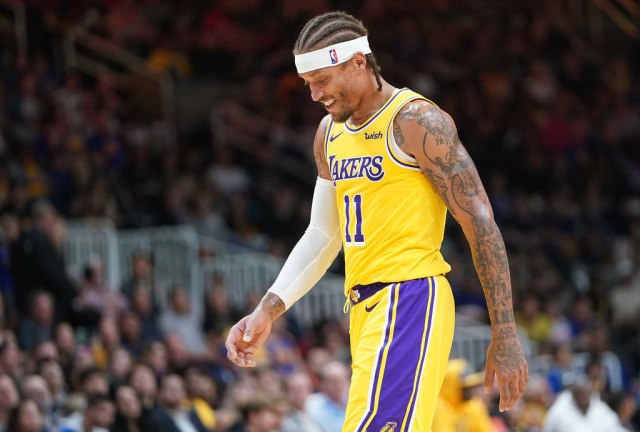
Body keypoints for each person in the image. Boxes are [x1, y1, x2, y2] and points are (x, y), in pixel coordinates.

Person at [225, 10, 528, 431]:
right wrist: (267, 309)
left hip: (410, 298)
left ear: (358, 63)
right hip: (364, 310)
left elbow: (480, 222)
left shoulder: (416, 121)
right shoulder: (328, 134)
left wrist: (505, 331)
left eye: (322, 80)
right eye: (308, 83)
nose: (314, 94)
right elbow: (322, 234)